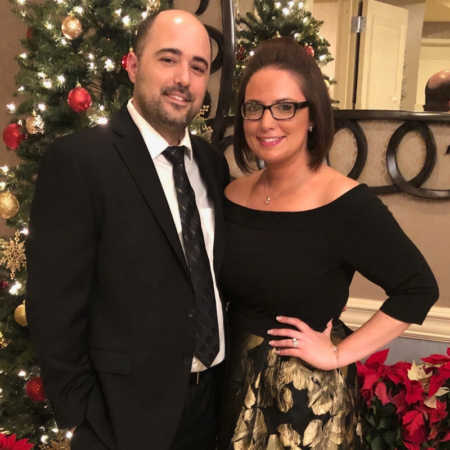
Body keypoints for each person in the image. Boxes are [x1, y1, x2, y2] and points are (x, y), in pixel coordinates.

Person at [218, 37, 439, 449]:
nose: (267, 122)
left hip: (302, 405)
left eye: (285, 107)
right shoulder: (230, 194)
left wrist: (338, 354)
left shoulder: (347, 204)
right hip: (229, 385)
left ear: (313, 116)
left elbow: (418, 289)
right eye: (254, 108)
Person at [27, 9, 229, 450]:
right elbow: (53, 305)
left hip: (209, 408)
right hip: (121, 421)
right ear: (134, 66)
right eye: (168, 59)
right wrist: (84, 417)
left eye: (198, 66)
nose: (184, 78)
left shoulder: (212, 166)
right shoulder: (80, 161)